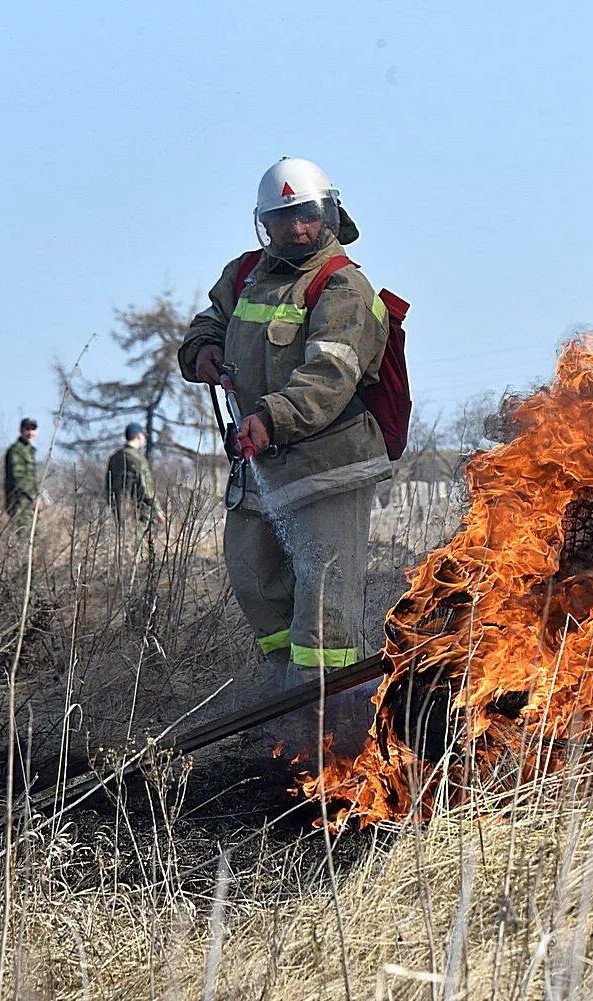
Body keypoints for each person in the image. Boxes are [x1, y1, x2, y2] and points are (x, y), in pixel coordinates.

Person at [178, 157, 392, 751]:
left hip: (328, 469)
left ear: (330, 214)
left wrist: (271, 418)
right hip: (261, 466)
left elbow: (329, 376)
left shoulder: (344, 287)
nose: (298, 228)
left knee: (324, 614)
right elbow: (210, 320)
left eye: (308, 215)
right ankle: (288, 709)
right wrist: (200, 350)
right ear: (263, 224)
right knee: (254, 581)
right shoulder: (246, 274)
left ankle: (341, 737)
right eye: (285, 217)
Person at [105, 422, 163, 527]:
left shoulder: (114, 458)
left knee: (123, 538)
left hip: (118, 506)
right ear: (138, 436)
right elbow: (146, 486)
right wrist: (157, 508)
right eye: (143, 436)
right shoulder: (137, 458)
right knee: (140, 540)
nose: (144, 439)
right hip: (138, 509)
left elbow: (108, 485)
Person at [4, 417, 40, 523]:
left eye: (33, 429)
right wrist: (33, 496)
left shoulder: (29, 450)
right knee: (23, 534)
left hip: (29, 502)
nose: (30, 433)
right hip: (19, 500)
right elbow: (18, 478)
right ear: (21, 431)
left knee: (37, 533)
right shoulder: (16, 450)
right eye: (27, 429)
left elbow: (31, 478)